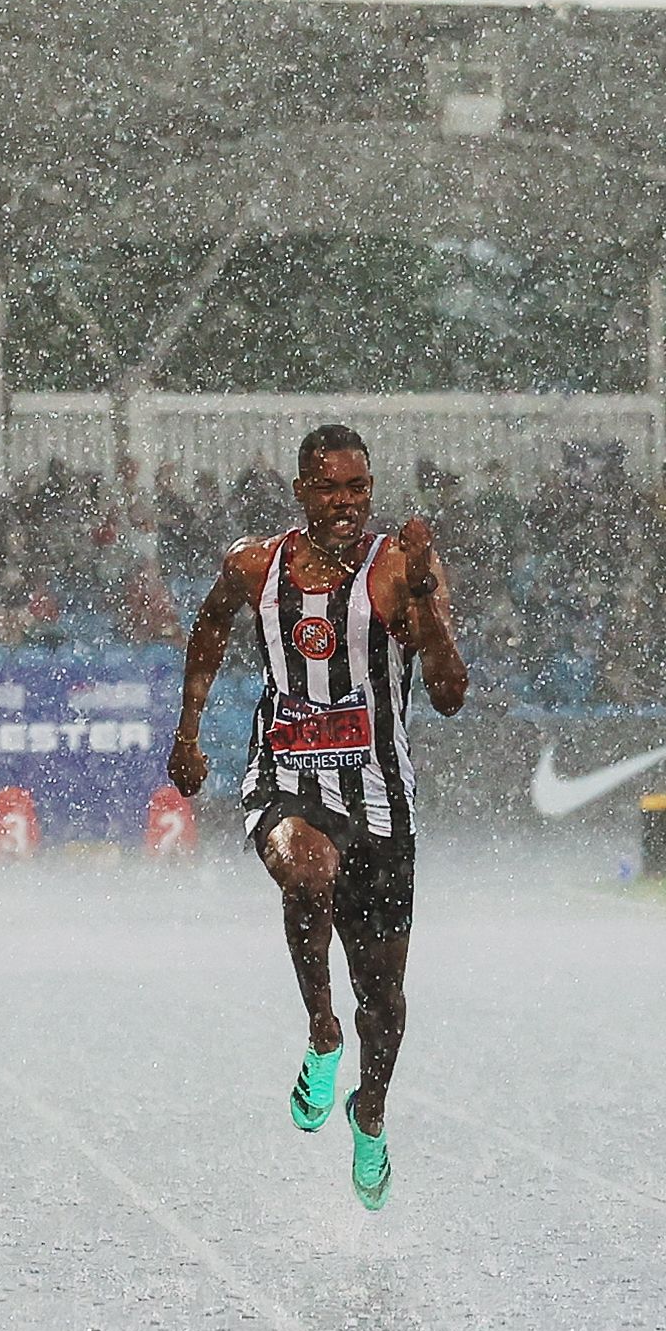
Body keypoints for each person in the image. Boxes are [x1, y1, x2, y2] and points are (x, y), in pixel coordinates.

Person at [167, 424, 468, 1210]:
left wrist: (428, 601)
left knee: (389, 1002)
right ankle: (321, 1031)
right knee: (305, 869)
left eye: (357, 490)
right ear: (302, 492)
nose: (346, 505)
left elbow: (449, 691)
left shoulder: (403, 567)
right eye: (330, 489)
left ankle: (369, 1111)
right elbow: (207, 628)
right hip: (287, 773)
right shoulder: (254, 565)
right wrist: (189, 729)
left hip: (379, 797)